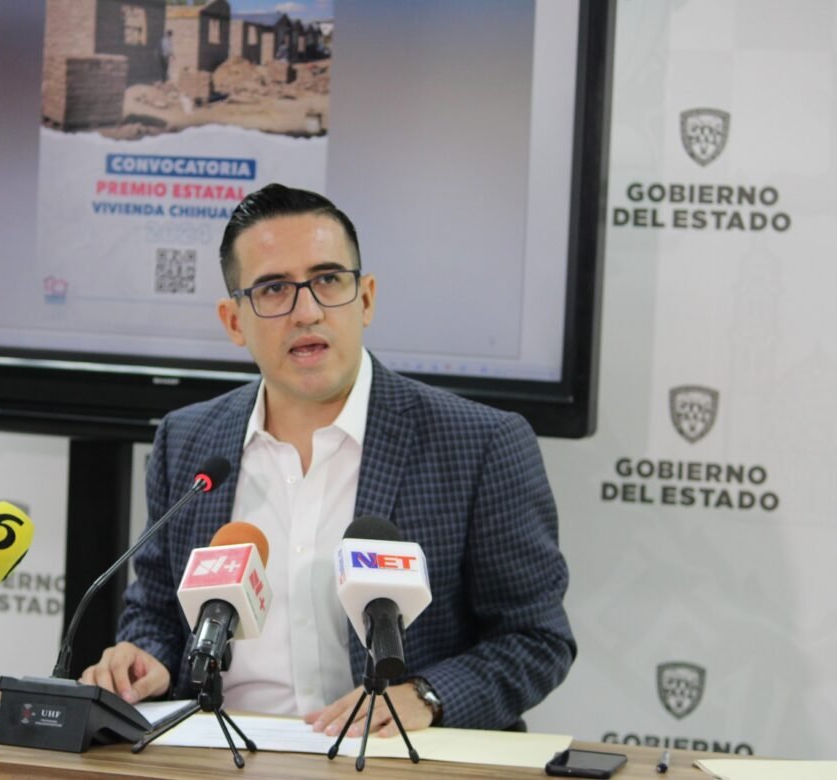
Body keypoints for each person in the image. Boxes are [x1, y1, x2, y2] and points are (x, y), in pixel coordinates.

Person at [80, 184, 576, 736]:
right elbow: (155, 615)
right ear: (233, 320)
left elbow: (536, 639)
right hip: (220, 752)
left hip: (393, 760)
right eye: (273, 289)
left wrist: (427, 696)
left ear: (366, 298)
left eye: (328, 280)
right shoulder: (188, 441)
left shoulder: (479, 444)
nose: (308, 311)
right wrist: (144, 659)